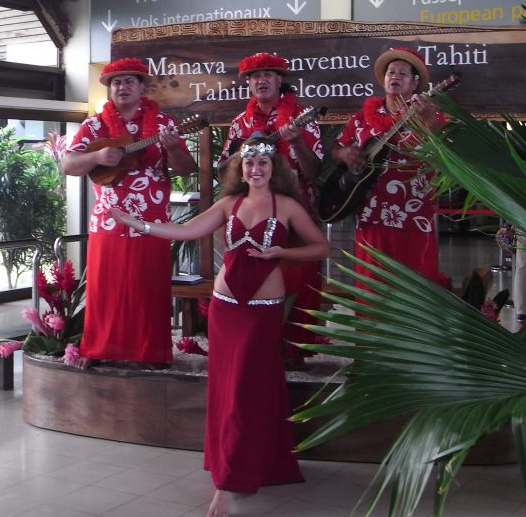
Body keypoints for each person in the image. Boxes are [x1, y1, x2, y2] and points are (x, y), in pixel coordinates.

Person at [108, 132, 330, 517]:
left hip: (262, 311)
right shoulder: (230, 203)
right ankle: (234, 467)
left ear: (273, 168)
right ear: (239, 169)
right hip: (227, 308)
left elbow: (321, 247)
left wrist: (281, 251)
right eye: (248, 163)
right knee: (228, 389)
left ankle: (232, 480)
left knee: (249, 389)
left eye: (262, 163)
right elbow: (185, 231)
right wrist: (137, 223)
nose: (255, 169)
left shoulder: (288, 206)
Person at [61, 57, 196, 366]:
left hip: (152, 223)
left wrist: (174, 147)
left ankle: (150, 352)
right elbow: (68, 164)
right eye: (117, 82)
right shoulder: (94, 126)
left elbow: (186, 169)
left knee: (147, 288)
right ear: (110, 90)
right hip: (108, 221)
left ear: (141, 87)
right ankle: (98, 349)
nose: (123, 87)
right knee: (106, 289)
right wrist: (98, 157)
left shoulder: (164, 124)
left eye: (129, 81)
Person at [218, 52, 323, 365]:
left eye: (268, 75)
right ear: (249, 83)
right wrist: (242, 160)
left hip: (295, 211)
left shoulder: (301, 117)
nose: (261, 81)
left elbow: (315, 172)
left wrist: (298, 143)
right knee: (256, 272)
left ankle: (293, 351)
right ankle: (255, 343)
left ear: (280, 81)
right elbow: (225, 171)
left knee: (297, 274)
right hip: (254, 214)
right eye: (255, 76)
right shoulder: (240, 124)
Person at [331, 46, 446, 284]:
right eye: (391, 72)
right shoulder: (362, 118)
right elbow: (336, 148)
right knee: (372, 289)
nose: (394, 76)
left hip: (414, 217)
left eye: (402, 73)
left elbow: (442, 150)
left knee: (414, 287)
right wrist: (344, 154)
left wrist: (429, 121)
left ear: (415, 83)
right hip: (371, 215)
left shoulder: (429, 113)